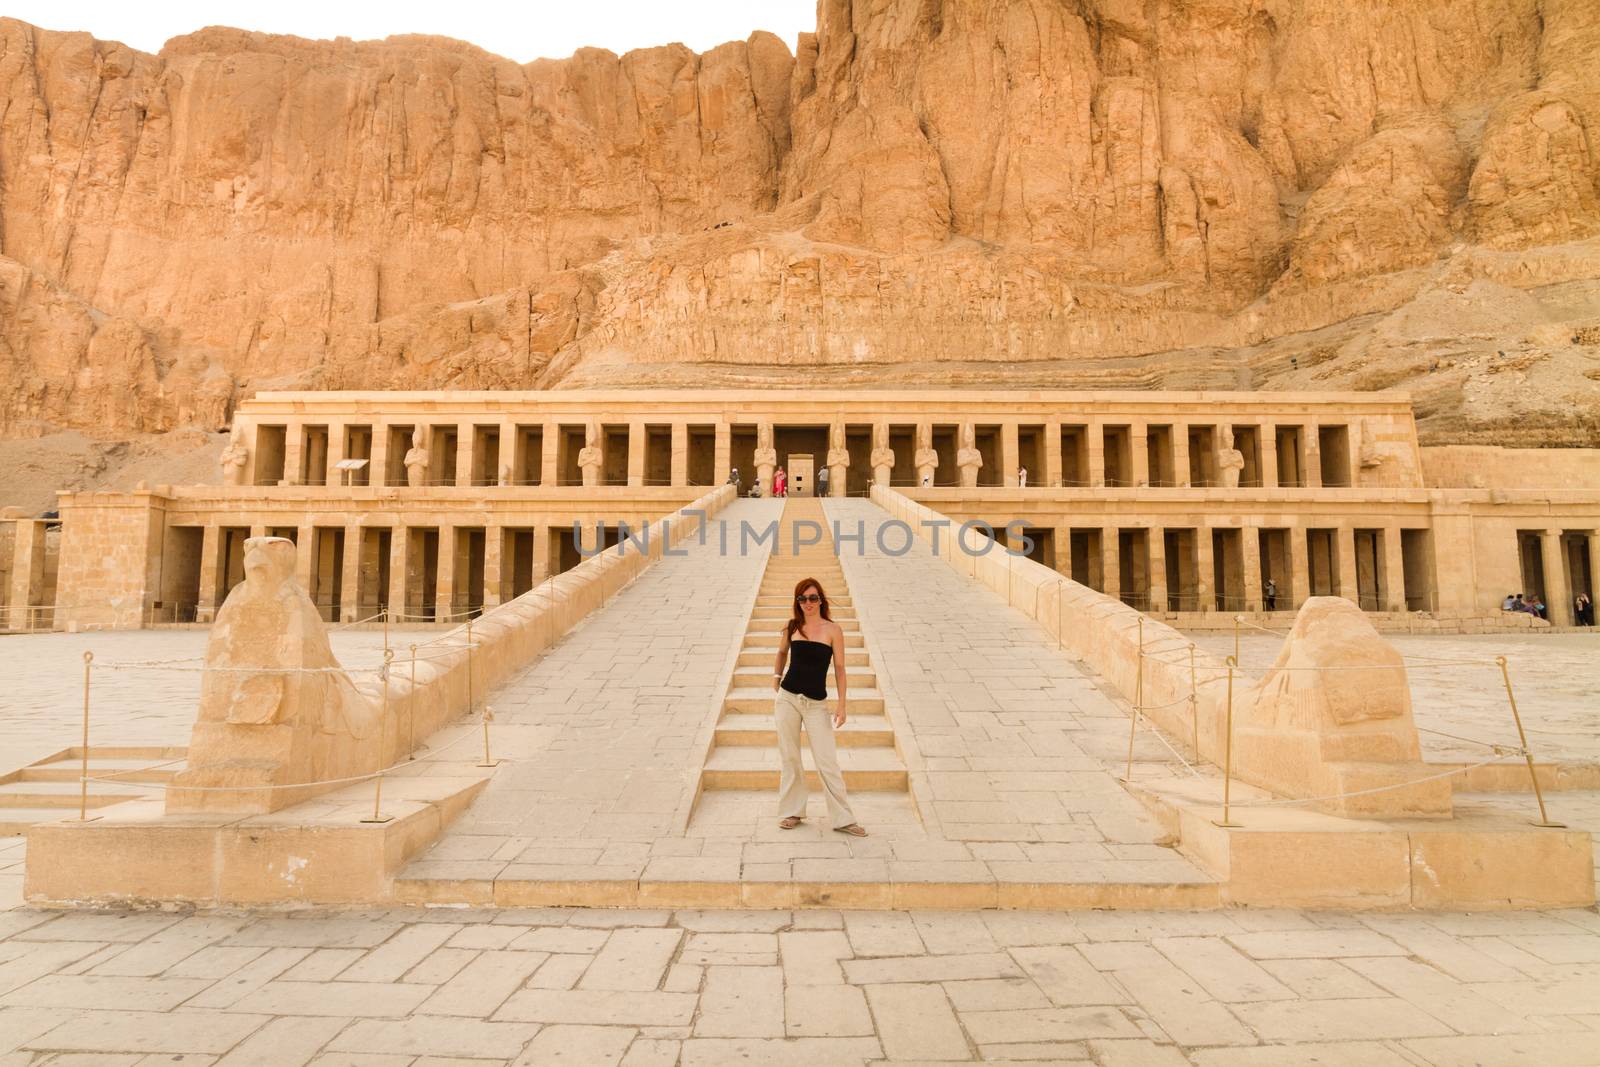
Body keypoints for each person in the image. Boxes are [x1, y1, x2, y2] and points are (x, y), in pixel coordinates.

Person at [772, 578, 867, 838]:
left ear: (821, 600)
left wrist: (842, 704)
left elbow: (839, 669)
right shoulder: (792, 627)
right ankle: (792, 811)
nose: (808, 603)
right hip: (788, 699)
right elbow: (781, 653)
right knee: (790, 757)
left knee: (827, 761)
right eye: (802, 599)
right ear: (797, 602)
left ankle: (843, 819)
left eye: (813, 598)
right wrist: (776, 678)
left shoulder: (833, 630)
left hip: (816, 704)